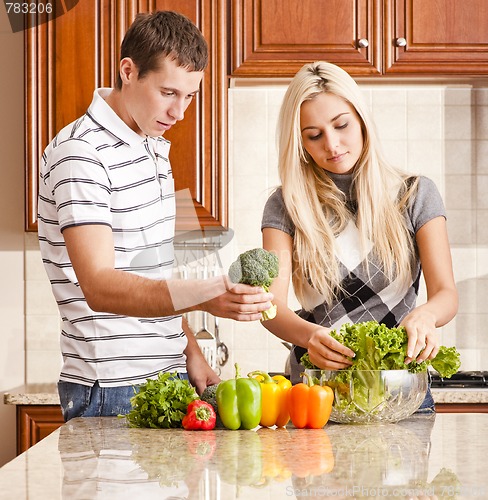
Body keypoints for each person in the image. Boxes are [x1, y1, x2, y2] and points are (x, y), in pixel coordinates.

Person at [37, 11, 273, 421]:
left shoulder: (154, 149)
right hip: (112, 385)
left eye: (190, 96)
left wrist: (191, 352)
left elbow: (155, 271)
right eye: (168, 92)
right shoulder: (81, 153)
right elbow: (99, 285)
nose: (180, 112)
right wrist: (207, 295)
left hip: (170, 376)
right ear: (128, 71)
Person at [261, 61, 458, 410]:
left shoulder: (415, 194)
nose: (332, 144)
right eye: (314, 135)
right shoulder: (285, 204)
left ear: (361, 119)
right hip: (317, 393)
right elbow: (271, 307)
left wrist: (426, 315)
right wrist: (311, 337)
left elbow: (446, 294)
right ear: (300, 141)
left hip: (399, 388)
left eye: (341, 125)